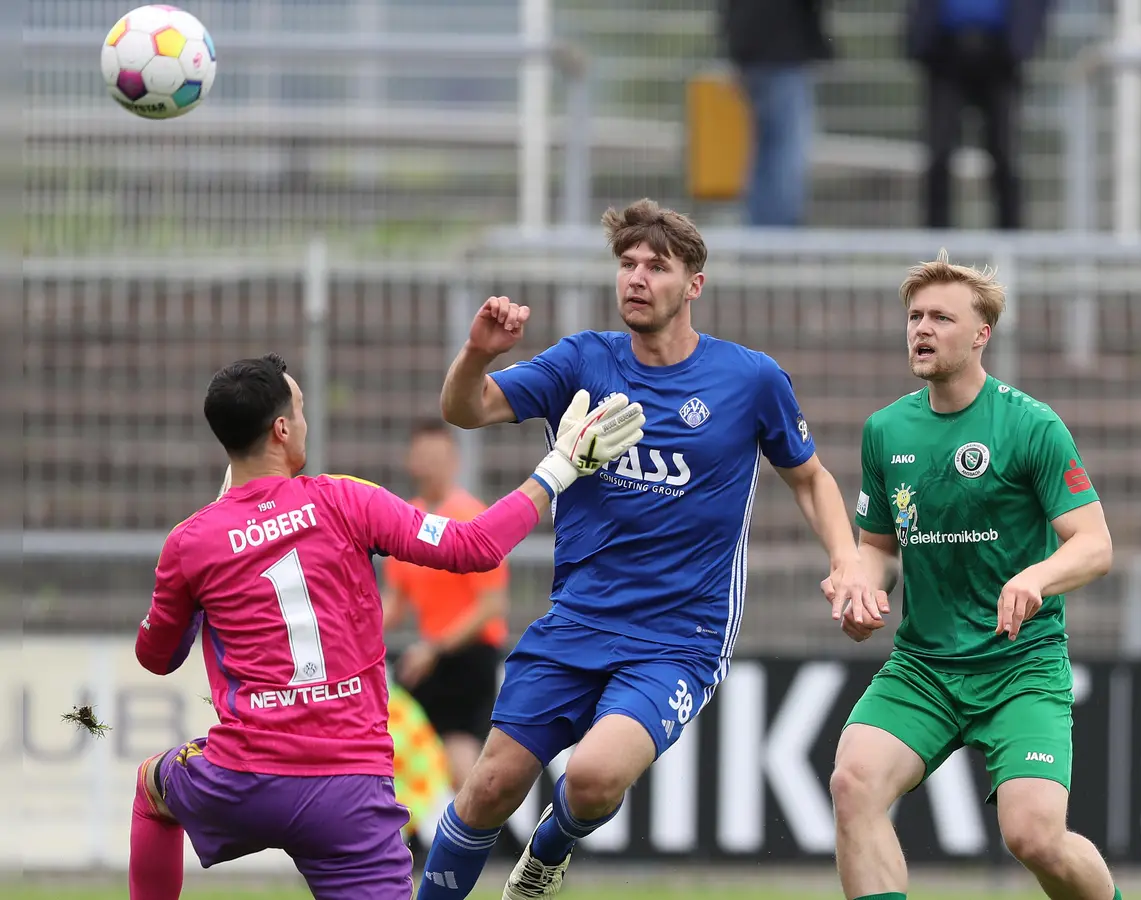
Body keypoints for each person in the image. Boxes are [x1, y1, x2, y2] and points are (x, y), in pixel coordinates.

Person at [417, 198, 873, 900]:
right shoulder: (582, 360)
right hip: (576, 620)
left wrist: (845, 559)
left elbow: (809, 478)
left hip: (677, 637)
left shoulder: (749, 380)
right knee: (488, 786)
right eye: (627, 264)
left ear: (694, 284)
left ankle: (549, 849)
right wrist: (479, 351)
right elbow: (465, 409)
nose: (636, 277)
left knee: (593, 780)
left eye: (656, 266)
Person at [125, 352, 644, 900]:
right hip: (348, 791)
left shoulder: (192, 540)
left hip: (242, 778)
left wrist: (202, 583)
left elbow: (158, 657)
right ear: (281, 429)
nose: (304, 422)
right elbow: (477, 545)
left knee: (151, 788)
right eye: (299, 411)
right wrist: (559, 467)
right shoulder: (343, 499)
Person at [823, 252, 1121, 900]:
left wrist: (1036, 578)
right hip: (924, 666)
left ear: (982, 333)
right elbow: (879, 547)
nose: (921, 329)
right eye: (914, 316)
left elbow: (1095, 545)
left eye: (940, 317)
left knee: (1035, 837)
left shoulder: (1030, 425)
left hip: (1020, 665)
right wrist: (862, 588)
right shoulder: (886, 430)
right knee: (853, 784)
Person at [383, 418, 512, 792]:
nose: (429, 465)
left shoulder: (472, 518)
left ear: (454, 460)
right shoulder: (405, 519)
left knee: (458, 744)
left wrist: (435, 647)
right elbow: (395, 601)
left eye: (437, 456)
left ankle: (479, 830)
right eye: (422, 456)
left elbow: (491, 605)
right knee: (396, 738)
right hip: (430, 655)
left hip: (468, 652)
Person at [907, 0, 1054, 230]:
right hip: (945, 54)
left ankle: (1012, 248)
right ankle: (934, 252)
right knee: (938, 154)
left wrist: (1024, 37)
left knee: (1006, 156)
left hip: (1002, 55)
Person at [720, 0, 833, 227]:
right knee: (787, 149)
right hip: (784, 49)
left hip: (748, 47)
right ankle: (781, 233)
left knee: (763, 152)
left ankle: (759, 233)